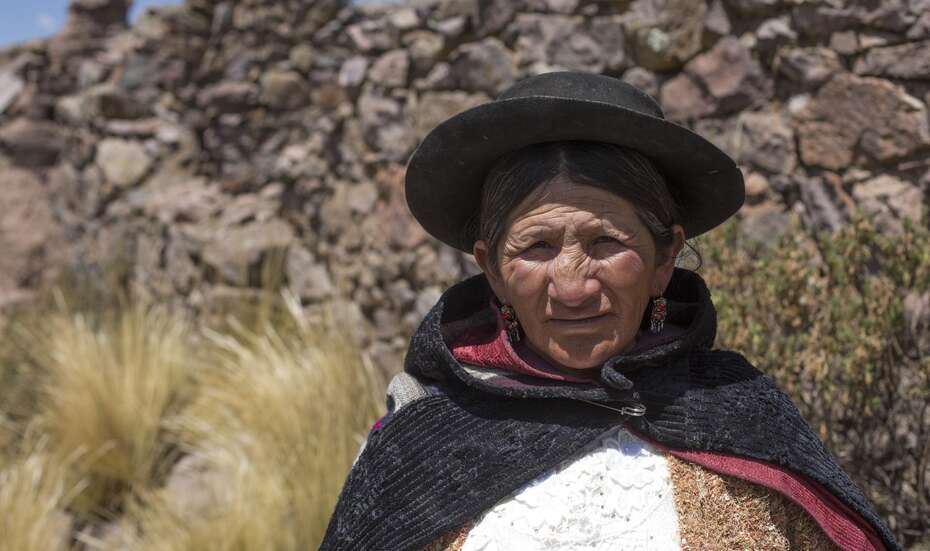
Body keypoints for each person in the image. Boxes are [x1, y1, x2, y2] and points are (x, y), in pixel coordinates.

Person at [320, 71, 899, 551]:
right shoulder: (419, 446)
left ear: (664, 256)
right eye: (537, 248)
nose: (572, 287)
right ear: (491, 268)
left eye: (605, 243)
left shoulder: (745, 417)